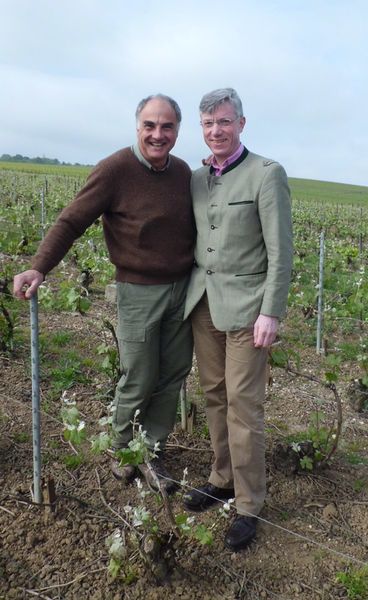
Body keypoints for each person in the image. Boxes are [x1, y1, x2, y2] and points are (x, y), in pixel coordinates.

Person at [13, 94, 195, 494]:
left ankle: (152, 450)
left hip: (184, 290)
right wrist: (39, 266)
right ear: (137, 127)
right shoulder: (115, 170)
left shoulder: (183, 173)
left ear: (178, 131)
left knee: (174, 372)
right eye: (150, 125)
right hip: (138, 291)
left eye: (167, 127)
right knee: (140, 374)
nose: (158, 134)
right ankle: (121, 448)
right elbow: (72, 220)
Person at [183, 88, 293, 551]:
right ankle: (221, 477)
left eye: (224, 122)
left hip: (249, 310)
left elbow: (281, 251)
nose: (216, 131)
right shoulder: (195, 178)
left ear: (241, 124)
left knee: (243, 406)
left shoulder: (266, 175)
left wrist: (272, 310)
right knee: (213, 394)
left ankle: (249, 503)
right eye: (208, 124)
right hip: (204, 303)